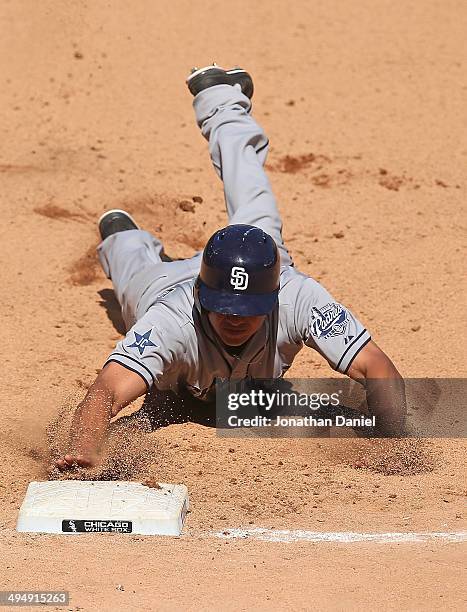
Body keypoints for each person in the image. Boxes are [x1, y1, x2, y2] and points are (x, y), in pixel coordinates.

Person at [56, 64, 406, 471]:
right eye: (223, 307)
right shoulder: (171, 319)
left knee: (254, 200)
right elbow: (107, 391)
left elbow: (376, 367)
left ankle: (220, 98)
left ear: (272, 300)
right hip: (166, 285)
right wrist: (83, 448)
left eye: (245, 310)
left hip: (255, 261)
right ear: (202, 298)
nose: (233, 318)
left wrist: (391, 440)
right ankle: (121, 236)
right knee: (133, 278)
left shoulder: (296, 296)